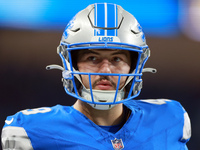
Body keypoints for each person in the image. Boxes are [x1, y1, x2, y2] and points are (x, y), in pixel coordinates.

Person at [1, 3, 191, 150]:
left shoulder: (171, 117)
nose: (105, 70)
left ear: (134, 65)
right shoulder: (30, 130)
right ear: (71, 62)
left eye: (117, 59)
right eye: (92, 58)